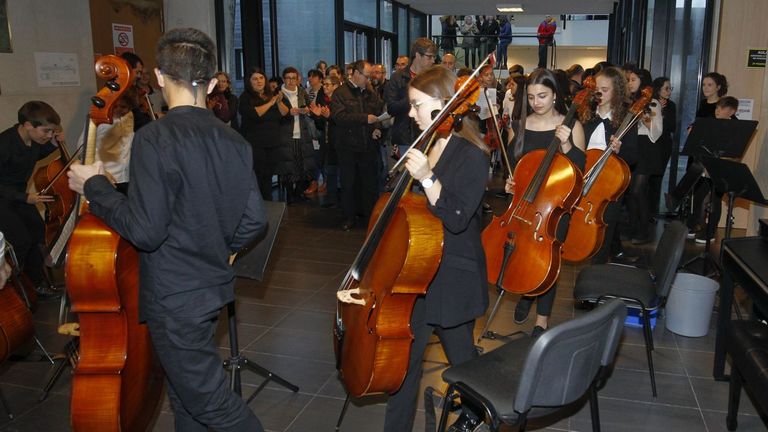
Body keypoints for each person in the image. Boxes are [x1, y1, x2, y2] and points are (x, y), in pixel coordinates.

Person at [67, 27, 267, 432]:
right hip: (211, 289)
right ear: (211, 82)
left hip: (175, 297)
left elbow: (146, 231)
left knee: (213, 405)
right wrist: (214, 247)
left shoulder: (154, 139)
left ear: (158, 76)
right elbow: (254, 221)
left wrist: (96, 188)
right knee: (185, 398)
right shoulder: (235, 141)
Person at [383, 65, 490, 432]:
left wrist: (427, 176)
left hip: (453, 276)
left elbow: (458, 217)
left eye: (416, 105)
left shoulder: (474, 156)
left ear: (444, 104)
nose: (410, 113)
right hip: (419, 273)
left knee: (463, 365)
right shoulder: (425, 143)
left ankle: (478, 416)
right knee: (404, 370)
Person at [507, 69, 586, 335]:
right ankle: (527, 294)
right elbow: (514, 162)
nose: (536, 102)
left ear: (555, 95)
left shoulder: (571, 124)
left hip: (554, 206)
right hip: (525, 203)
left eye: (542, 95)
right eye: (531, 97)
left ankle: (542, 319)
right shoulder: (520, 124)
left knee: (549, 261)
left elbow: (580, 170)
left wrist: (565, 145)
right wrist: (511, 181)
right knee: (524, 255)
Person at [0, 101, 63, 298]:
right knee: (20, 240)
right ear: (28, 125)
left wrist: (53, 144)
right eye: (46, 131)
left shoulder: (34, 141)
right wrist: (24, 197)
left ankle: (35, 284)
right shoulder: (4, 144)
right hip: (3, 197)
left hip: (18, 196)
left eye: (53, 132)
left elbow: (34, 154)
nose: (49, 135)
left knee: (37, 232)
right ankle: (12, 288)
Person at [579, 66, 638, 265]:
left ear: (617, 92)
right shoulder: (585, 116)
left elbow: (633, 157)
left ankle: (597, 273)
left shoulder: (626, 120)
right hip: (583, 181)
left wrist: (620, 150)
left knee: (604, 232)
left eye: (605, 90)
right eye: (597, 89)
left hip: (609, 186)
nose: (599, 93)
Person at [330, 60, 384, 231]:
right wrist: (364, 119)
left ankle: (369, 216)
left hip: (368, 145)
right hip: (347, 146)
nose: (368, 80)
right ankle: (349, 217)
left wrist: (376, 128)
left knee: (369, 183)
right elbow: (339, 117)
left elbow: (377, 113)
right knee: (349, 183)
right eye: (366, 76)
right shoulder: (340, 93)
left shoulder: (370, 92)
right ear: (355, 73)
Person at [239, 67, 290, 200]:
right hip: (255, 144)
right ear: (249, 82)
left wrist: (278, 102)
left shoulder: (271, 94)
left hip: (273, 143)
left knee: (268, 175)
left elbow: (284, 113)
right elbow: (256, 114)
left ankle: (267, 203)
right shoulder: (245, 97)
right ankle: (258, 205)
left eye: (261, 78)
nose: (259, 81)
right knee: (257, 176)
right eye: (255, 79)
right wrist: (271, 102)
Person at [624, 66, 661, 245]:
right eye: (629, 80)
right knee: (630, 192)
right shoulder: (627, 101)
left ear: (642, 82)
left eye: (633, 80)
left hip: (645, 148)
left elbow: (657, 130)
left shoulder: (652, 102)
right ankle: (632, 229)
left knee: (638, 191)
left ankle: (645, 231)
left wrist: (643, 117)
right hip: (631, 146)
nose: (630, 83)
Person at [384, 38, 437, 159]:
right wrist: (414, 97)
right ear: (418, 55)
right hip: (404, 138)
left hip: (428, 135)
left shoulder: (432, 77)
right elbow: (391, 108)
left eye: (434, 57)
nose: (433, 61)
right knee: (406, 175)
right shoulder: (398, 77)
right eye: (429, 57)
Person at [279, 66, 317, 201]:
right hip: (285, 134)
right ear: (284, 79)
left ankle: (300, 192)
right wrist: (288, 113)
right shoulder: (279, 94)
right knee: (288, 165)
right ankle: (290, 194)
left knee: (303, 165)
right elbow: (275, 115)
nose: (290, 81)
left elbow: (310, 108)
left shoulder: (302, 92)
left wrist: (306, 110)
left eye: (293, 78)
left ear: (297, 79)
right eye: (288, 78)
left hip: (302, 132)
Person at [308, 75, 342, 208]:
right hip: (327, 142)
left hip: (340, 142)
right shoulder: (325, 101)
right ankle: (331, 199)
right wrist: (318, 116)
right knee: (330, 170)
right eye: (324, 84)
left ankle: (340, 199)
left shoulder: (340, 102)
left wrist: (329, 116)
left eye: (327, 84)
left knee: (340, 172)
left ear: (335, 86)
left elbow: (342, 122)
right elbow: (322, 126)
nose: (324, 87)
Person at [648, 77, 676, 216]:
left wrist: (662, 113)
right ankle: (644, 212)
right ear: (658, 89)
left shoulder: (671, 106)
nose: (669, 91)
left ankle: (653, 211)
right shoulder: (650, 103)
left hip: (664, 145)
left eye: (670, 88)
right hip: (650, 143)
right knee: (646, 179)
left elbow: (672, 127)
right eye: (666, 88)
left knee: (658, 178)